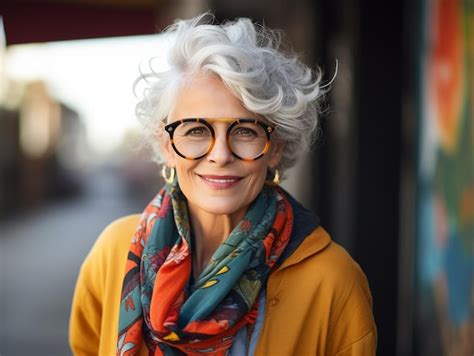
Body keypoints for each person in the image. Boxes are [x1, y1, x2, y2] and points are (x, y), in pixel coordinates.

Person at [69, 12, 377, 356]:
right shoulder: (113, 252)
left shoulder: (333, 280)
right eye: (196, 130)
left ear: (276, 149)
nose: (220, 154)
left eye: (245, 131)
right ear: (167, 144)